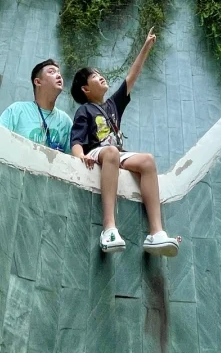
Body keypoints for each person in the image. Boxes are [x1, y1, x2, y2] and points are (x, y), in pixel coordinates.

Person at [70, 31, 180, 256]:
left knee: (147, 161)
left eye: (100, 74)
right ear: (85, 89)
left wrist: (146, 47)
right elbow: (77, 140)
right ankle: (109, 228)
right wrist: (80, 157)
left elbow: (132, 76)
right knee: (111, 151)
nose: (101, 77)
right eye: (94, 76)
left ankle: (156, 233)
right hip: (99, 152)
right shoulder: (85, 110)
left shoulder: (113, 105)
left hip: (116, 153)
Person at [0, 58, 73, 152]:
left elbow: (71, 157)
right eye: (51, 72)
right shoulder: (16, 111)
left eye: (59, 73)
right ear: (37, 82)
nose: (59, 76)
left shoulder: (66, 122)